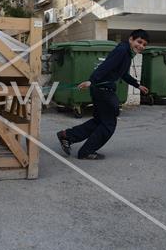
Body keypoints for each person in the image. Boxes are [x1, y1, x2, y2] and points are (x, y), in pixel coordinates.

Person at [57, 29, 150, 160]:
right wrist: (92, 80)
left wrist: (137, 85)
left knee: (100, 121)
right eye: (139, 42)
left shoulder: (126, 53)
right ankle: (86, 151)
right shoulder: (122, 51)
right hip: (102, 89)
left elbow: (122, 73)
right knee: (109, 124)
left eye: (144, 45)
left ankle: (67, 135)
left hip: (102, 89)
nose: (140, 46)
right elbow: (105, 66)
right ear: (131, 39)